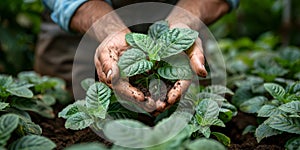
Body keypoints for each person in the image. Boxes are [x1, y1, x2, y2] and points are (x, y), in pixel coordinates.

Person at [37, 0, 239, 114]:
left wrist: (183, 21)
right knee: (60, 108)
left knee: (186, 106)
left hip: (181, 15)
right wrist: (109, 30)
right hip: (78, 25)